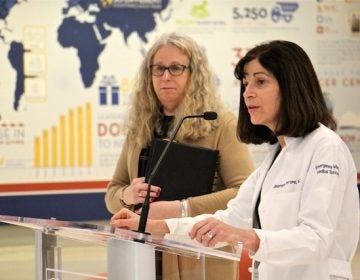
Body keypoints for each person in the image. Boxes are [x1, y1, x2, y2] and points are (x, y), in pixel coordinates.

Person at [111, 40, 360, 280]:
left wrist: (248, 237)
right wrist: (157, 226)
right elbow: (228, 220)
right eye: (245, 83)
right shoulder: (276, 156)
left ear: (292, 86)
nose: (247, 93)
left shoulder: (326, 147)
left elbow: (316, 238)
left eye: (260, 82)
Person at [105, 32, 255, 279]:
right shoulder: (140, 126)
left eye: (176, 68)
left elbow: (243, 191)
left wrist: (181, 208)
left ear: (194, 74)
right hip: (141, 254)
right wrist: (126, 195)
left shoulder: (220, 123)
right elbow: (112, 194)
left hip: (199, 257)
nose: (165, 76)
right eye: (159, 68)